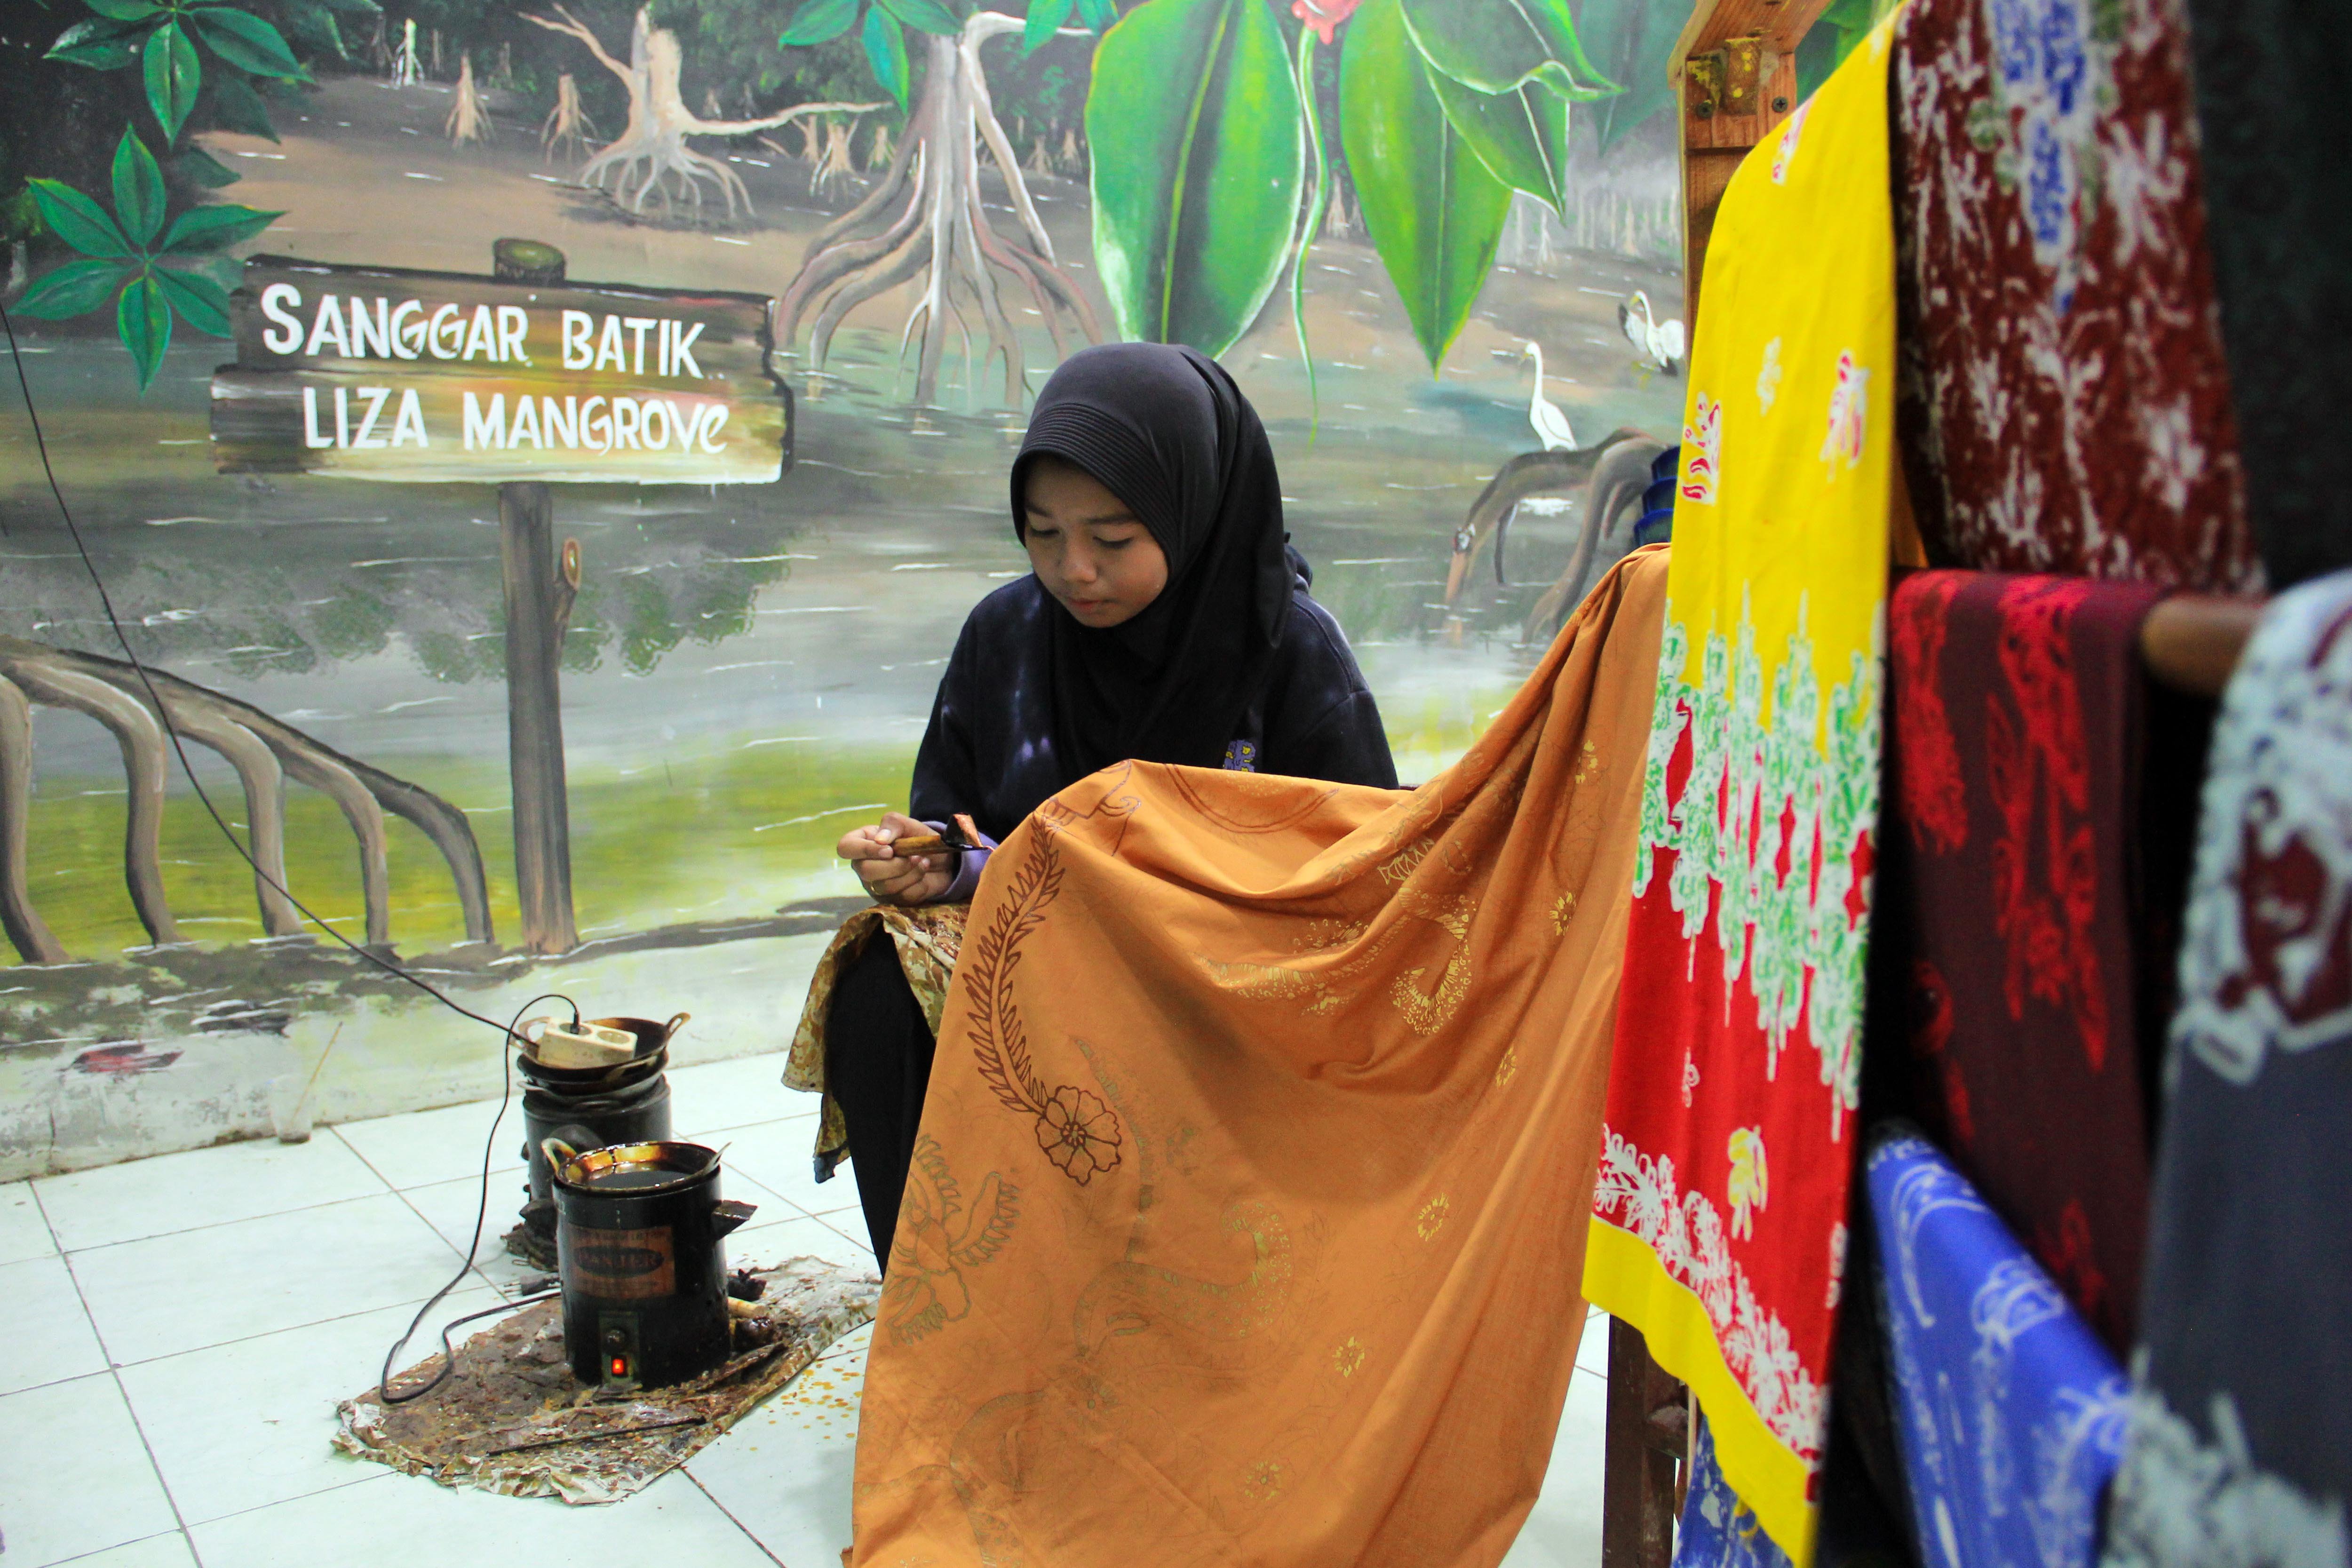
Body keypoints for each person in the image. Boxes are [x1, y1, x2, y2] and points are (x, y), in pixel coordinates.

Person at [815, 342, 1398, 1266]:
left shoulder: (1283, 651)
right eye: (1042, 532)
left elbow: (1368, 875)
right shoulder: (1007, 636)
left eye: (1113, 537)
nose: (1074, 568)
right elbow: (963, 824)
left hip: (1224, 998)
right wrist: (925, 859)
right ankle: (943, 1305)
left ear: (1194, 510)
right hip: (1043, 975)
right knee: (877, 993)